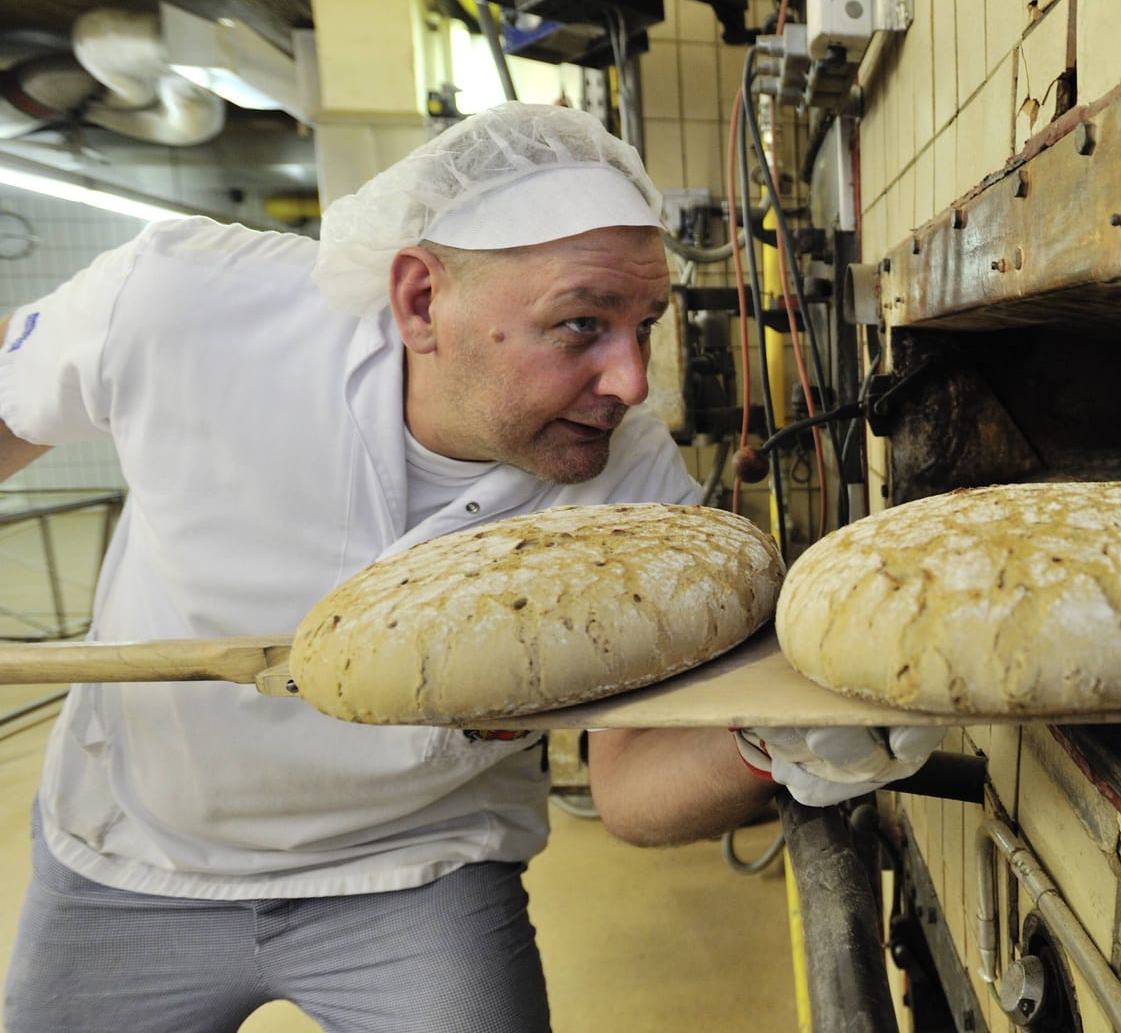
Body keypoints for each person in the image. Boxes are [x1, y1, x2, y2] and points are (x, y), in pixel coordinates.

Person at [0, 102, 937, 1033]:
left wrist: (777, 748)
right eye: (580, 325)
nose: (630, 382)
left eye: (643, 324)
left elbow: (628, 787)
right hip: (127, 859)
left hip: (420, 870)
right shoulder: (187, 309)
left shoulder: (634, 486)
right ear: (420, 302)